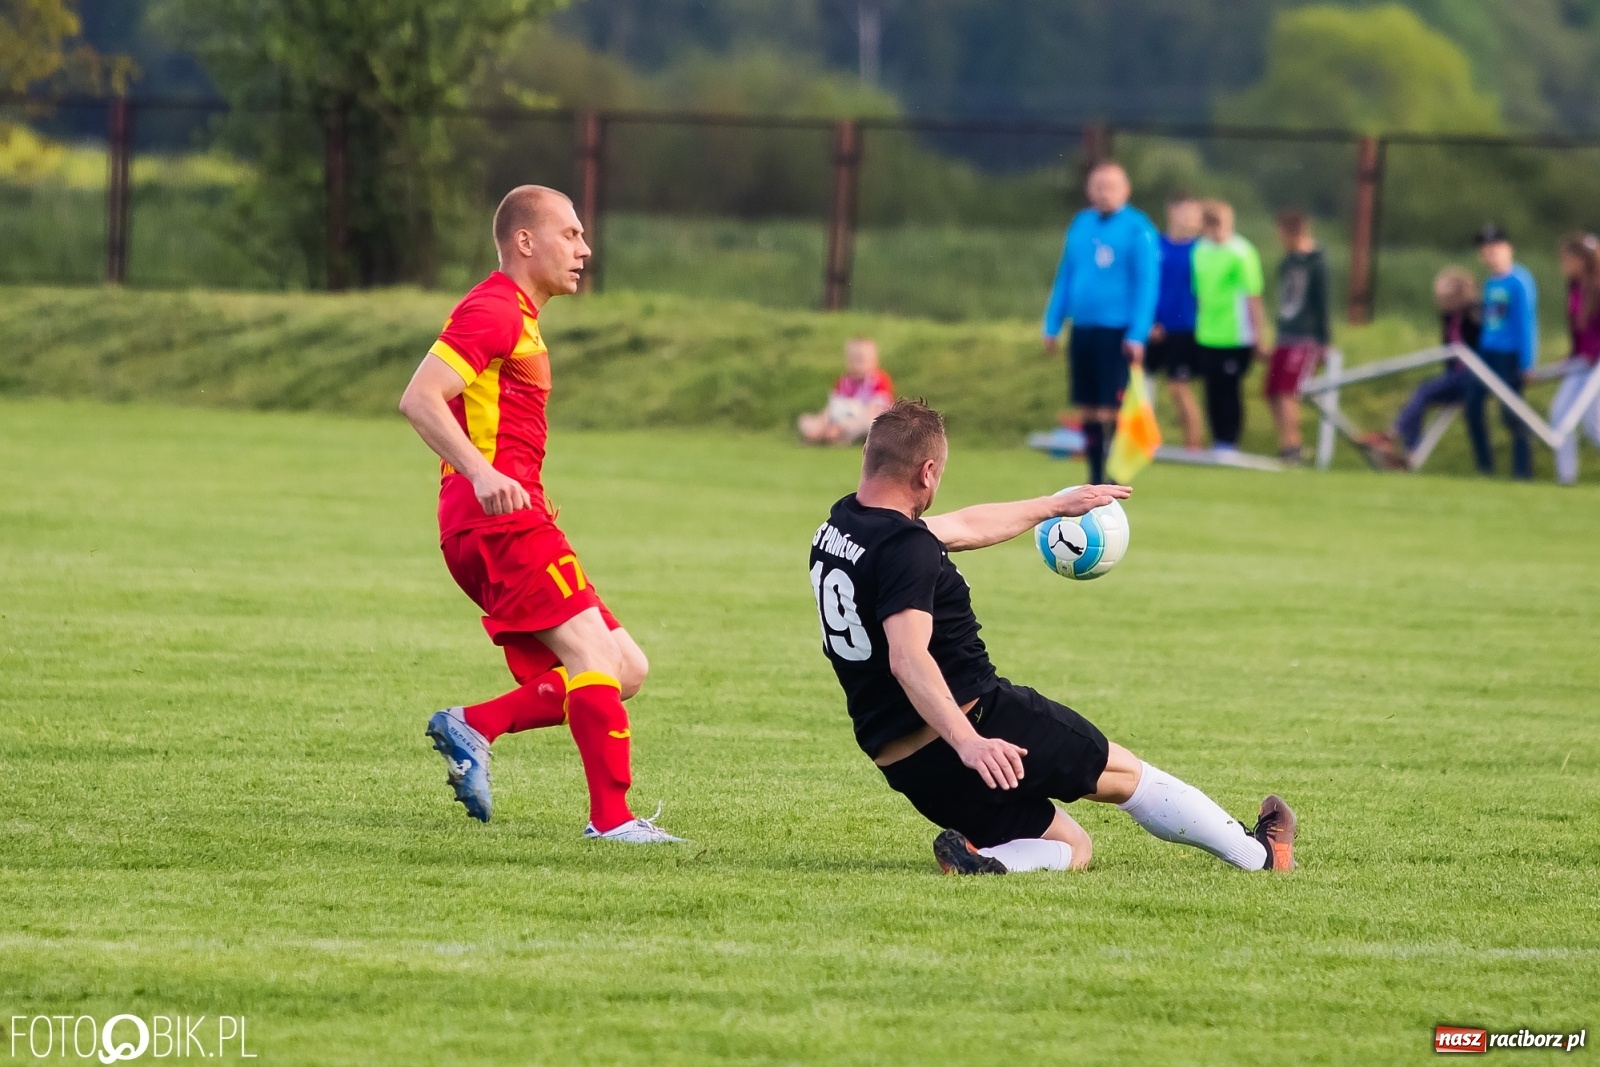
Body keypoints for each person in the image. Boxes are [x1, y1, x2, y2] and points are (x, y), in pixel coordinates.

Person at [808, 400, 1298, 876]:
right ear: (928, 471)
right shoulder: (906, 548)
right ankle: (1260, 855)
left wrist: (1054, 506)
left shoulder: (841, 527)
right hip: (979, 723)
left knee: (1071, 846)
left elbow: (960, 525)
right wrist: (970, 742)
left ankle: (987, 865)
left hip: (906, 763)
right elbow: (908, 659)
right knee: (1130, 778)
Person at [397, 185, 682, 843]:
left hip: (509, 517)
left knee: (623, 665)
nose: (584, 248)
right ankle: (612, 821)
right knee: (590, 651)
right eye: (571, 234)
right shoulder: (494, 309)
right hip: (495, 519)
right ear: (524, 241)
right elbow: (420, 398)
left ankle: (477, 724)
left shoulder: (518, 315)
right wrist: (482, 470)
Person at [1041, 160, 1160, 484]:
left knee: (1113, 407)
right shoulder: (1081, 224)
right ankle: (1095, 475)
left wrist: (1137, 334)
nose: (1103, 193)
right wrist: (1052, 324)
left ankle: (1116, 476)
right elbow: (1066, 275)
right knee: (1089, 406)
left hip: (1117, 331)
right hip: (1084, 328)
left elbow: (1146, 286)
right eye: (1098, 186)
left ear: (1126, 190)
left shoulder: (1139, 229)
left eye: (1110, 186)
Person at [1376, 267, 1482, 466]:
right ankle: (1409, 451)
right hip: (1455, 375)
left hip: (1473, 375)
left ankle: (1392, 437)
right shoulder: (1449, 317)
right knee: (1420, 397)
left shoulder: (1474, 313)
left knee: (1424, 390)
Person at [1192, 200, 1267, 452]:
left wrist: (1259, 336)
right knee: (1212, 390)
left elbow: (1252, 296)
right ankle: (1217, 441)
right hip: (1207, 333)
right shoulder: (1199, 251)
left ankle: (1229, 441)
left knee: (1230, 390)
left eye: (1222, 226)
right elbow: (1199, 293)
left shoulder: (1242, 252)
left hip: (1236, 334)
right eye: (1212, 227)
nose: (1218, 233)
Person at [1470, 224, 1537, 480]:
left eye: (1495, 248)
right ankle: (1484, 466)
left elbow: (1526, 322)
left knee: (1511, 413)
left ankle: (1522, 471)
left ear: (1508, 249)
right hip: (1487, 352)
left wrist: (1527, 361)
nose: (1490, 253)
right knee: (1473, 404)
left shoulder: (1519, 281)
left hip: (1509, 355)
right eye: (1485, 249)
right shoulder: (1490, 283)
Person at [1264, 210, 1330, 464]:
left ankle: (1294, 446)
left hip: (1306, 337)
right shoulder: (1287, 262)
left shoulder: (1317, 264)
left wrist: (1324, 341)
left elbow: (1322, 304)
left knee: (1288, 391)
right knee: (1272, 391)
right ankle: (1286, 442)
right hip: (1285, 335)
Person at [1146, 192, 1205, 450]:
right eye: (1187, 213)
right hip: (1154, 327)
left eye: (1196, 215)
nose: (1193, 220)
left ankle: (1193, 445)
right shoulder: (1154, 245)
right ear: (1172, 212)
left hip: (1184, 328)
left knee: (1177, 387)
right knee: (1142, 386)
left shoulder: (1201, 250)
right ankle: (1142, 441)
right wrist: (1149, 321)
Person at [1551, 232, 1600, 485]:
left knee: (1594, 425)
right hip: (1580, 362)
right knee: (1560, 415)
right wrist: (1571, 356)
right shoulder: (1574, 287)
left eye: (1567, 258)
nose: (1563, 264)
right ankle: (1566, 478)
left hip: (1597, 364)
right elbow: (1577, 329)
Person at [798, 337, 895, 445]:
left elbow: (877, 407)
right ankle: (823, 431)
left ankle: (838, 434)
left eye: (861, 360)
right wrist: (823, 419)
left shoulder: (879, 380)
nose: (856, 364)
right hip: (843, 416)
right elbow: (833, 405)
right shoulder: (844, 381)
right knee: (807, 421)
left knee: (870, 422)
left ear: (874, 361)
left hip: (866, 417)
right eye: (852, 359)